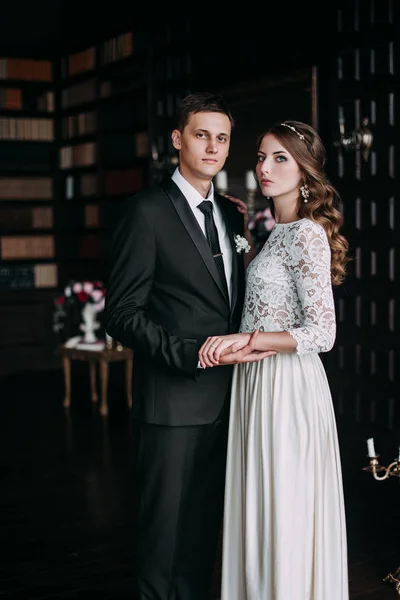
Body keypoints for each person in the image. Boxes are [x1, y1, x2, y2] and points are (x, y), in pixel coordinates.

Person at [104, 92, 269, 600]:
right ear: (178, 140)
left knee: (202, 536)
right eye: (202, 135)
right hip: (172, 403)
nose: (213, 147)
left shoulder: (231, 213)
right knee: (164, 538)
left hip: (230, 403)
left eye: (222, 138)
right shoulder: (146, 212)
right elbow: (121, 313)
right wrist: (185, 353)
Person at [199, 120, 350, 600]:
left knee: (282, 504)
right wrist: (239, 346)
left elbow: (322, 333)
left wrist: (247, 339)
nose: (264, 167)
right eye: (261, 156)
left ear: (305, 172)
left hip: (287, 388)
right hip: (256, 383)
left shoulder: (306, 235)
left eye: (280, 158)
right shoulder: (273, 233)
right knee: (258, 504)